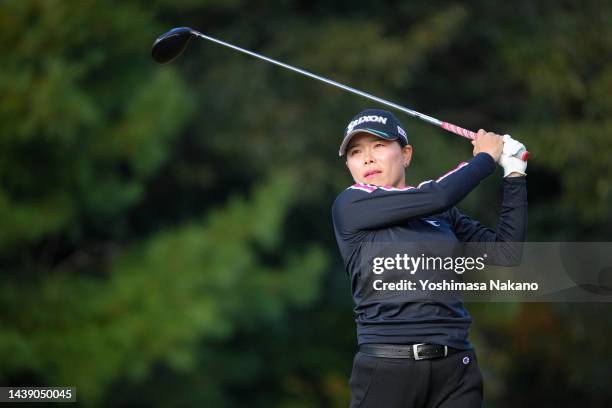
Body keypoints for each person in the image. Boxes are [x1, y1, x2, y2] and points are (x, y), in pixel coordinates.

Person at [331, 109, 527, 408]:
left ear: (405, 154)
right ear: (349, 164)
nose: (367, 158)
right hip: (387, 371)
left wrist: (514, 173)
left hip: (456, 371)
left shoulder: (440, 214)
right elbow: (438, 195)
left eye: (379, 145)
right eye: (356, 152)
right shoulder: (350, 204)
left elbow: (506, 252)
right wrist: (485, 158)